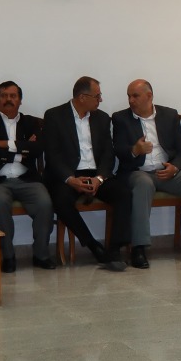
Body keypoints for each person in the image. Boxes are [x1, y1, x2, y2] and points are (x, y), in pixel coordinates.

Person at [114, 80, 181, 268]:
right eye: (129, 96)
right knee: (144, 184)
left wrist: (175, 168)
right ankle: (138, 248)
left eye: (135, 96)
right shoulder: (120, 118)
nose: (130, 100)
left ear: (149, 96)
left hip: (167, 171)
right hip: (138, 172)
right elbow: (118, 151)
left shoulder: (169, 115)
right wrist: (135, 150)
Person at [41, 77, 129, 272]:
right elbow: (52, 155)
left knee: (124, 193)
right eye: (97, 96)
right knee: (61, 200)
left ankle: (114, 249)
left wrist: (99, 178)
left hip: (95, 174)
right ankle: (93, 246)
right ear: (82, 97)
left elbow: (108, 153)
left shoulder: (102, 118)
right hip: (68, 175)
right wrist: (70, 179)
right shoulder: (54, 116)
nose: (100, 100)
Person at [0, 80, 56, 272]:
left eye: (13, 96)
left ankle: (41, 255)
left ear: (20, 100)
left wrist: (6, 144)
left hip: (27, 179)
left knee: (45, 203)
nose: (8, 100)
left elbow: (38, 149)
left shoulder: (32, 122)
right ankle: (8, 256)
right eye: (3, 96)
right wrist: (21, 150)